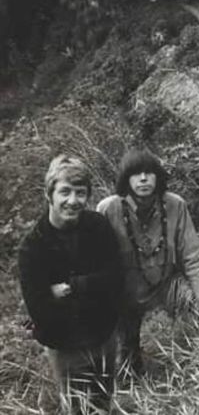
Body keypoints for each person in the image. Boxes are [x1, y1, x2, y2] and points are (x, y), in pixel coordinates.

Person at [97, 148, 199, 375]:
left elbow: (193, 259)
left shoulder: (176, 205)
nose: (144, 179)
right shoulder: (109, 209)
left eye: (149, 173)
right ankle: (132, 368)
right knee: (127, 361)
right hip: (125, 291)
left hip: (166, 284)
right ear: (126, 179)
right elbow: (97, 263)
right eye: (136, 174)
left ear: (158, 176)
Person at [18, 155, 122, 414]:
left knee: (103, 403)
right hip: (66, 345)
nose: (73, 201)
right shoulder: (33, 246)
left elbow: (116, 278)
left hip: (104, 335)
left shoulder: (98, 226)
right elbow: (40, 309)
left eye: (81, 193)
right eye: (65, 191)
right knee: (76, 408)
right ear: (49, 193)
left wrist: (71, 287)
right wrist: (94, 289)